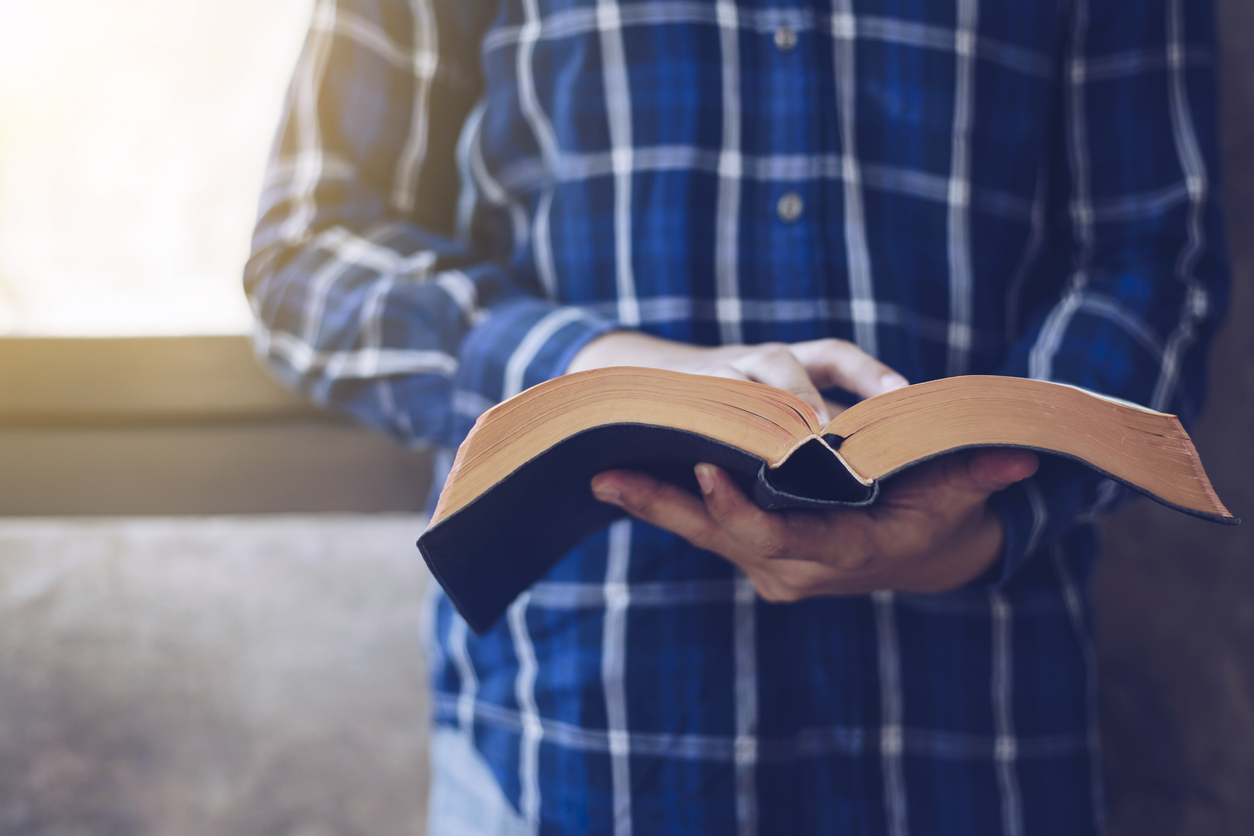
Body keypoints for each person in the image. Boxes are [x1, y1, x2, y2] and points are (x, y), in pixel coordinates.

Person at [244, 0, 1229, 832]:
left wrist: (986, 518)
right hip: (569, 748)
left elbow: (1156, 258)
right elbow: (312, 251)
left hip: (981, 729)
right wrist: (615, 373)